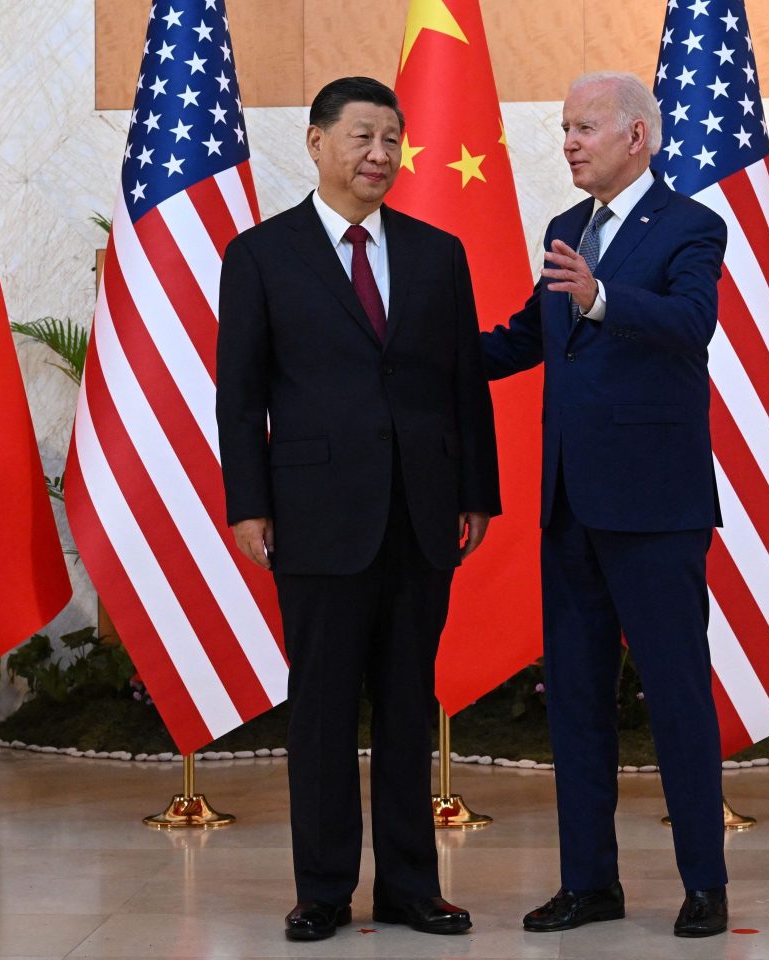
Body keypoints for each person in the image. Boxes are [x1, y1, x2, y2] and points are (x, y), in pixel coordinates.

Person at [217, 76, 499, 943]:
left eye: (391, 140)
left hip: (422, 513)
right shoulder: (261, 255)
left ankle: (411, 886)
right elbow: (240, 394)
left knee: (410, 706)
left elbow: (464, 383)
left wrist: (476, 492)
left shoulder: (437, 253)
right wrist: (248, 504)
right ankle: (324, 890)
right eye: (362, 137)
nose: (380, 155)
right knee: (323, 710)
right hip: (314, 515)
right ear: (316, 142)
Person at [479, 71, 730, 939]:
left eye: (584, 127)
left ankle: (705, 885)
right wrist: (427, 353)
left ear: (637, 136)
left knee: (676, 697)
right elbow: (530, 335)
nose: (569, 143)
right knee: (577, 702)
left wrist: (601, 297)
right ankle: (590, 884)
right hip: (570, 507)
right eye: (564, 128)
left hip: (656, 509)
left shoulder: (691, 225)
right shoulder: (566, 228)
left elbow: (690, 323)